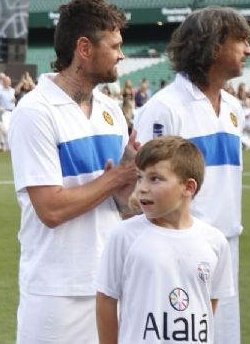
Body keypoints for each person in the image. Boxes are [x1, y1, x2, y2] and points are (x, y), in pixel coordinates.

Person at [7, 0, 139, 344]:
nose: (121, 55)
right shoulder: (36, 111)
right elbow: (50, 208)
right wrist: (115, 179)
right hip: (56, 290)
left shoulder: (112, 111)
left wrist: (130, 195)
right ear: (84, 48)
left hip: (111, 281)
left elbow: (124, 207)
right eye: (114, 46)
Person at [132, 6, 250, 344]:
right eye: (241, 40)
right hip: (178, 250)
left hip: (225, 247)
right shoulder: (165, 107)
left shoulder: (233, 109)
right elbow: (143, 187)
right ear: (214, 45)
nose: (249, 50)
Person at [95, 136, 234, 344]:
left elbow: (208, 302)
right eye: (140, 177)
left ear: (188, 187)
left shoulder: (215, 242)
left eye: (155, 179)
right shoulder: (124, 236)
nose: (141, 187)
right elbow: (106, 300)